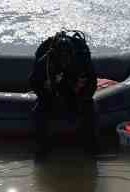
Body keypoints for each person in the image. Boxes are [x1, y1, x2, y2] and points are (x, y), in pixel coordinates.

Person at [29, 29, 99, 157]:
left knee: (89, 108)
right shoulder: (45, 61)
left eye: (67, 57)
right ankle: (42, 148)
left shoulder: (81, 59)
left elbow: (92, 83)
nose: (64, 61)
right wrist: (46, 96)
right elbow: (34, 82)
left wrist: (81, 97)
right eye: (61, 57)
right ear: (55, 55)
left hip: (74, 88)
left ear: (72, 54)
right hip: (51, 90)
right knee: (39, 112)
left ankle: (90, 148)